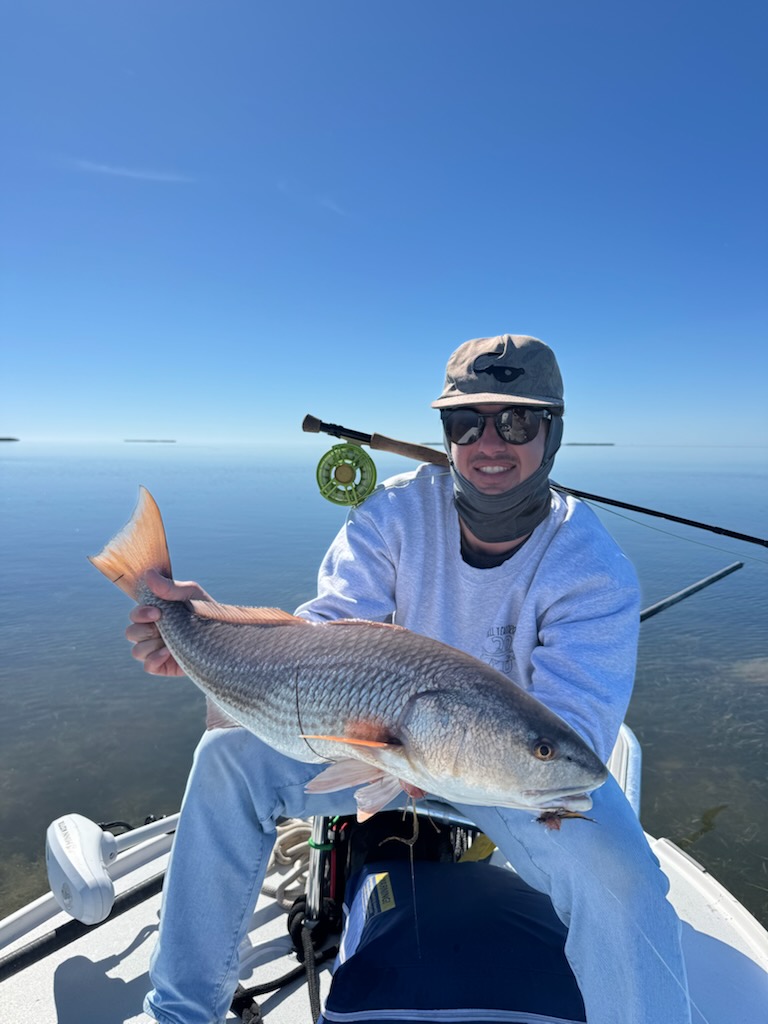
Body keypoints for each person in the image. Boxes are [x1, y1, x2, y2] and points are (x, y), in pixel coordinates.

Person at [127, 334, 692, 1024]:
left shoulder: (593, 569)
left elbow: (569, 740)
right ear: (446, 434)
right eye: (467, 422)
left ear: (554, 431)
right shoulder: (391, 514)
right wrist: (203, 635)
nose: (490, 442)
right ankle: (181, 1012)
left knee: (625, 882)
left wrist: (506, 765)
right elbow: (325, 636)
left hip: (511, 784)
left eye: (517, 421)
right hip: (382, 748)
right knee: (225, 761)